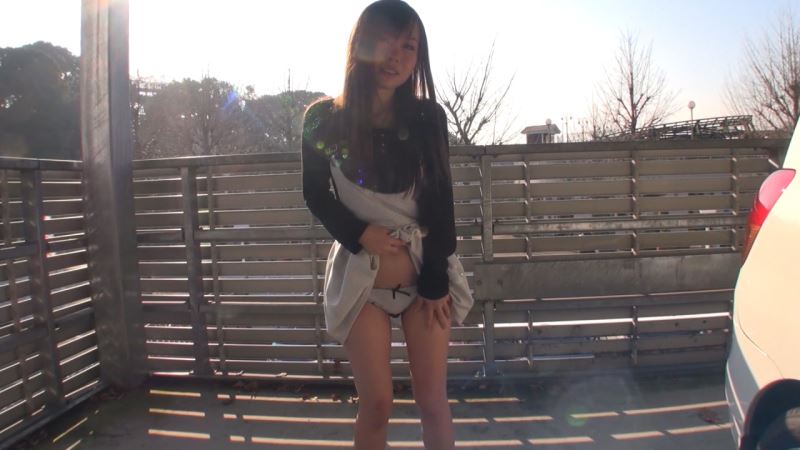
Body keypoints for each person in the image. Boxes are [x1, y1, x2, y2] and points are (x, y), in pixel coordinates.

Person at [301, 1, 474, 448]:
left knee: (432, 402)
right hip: (362, 281)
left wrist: (435, 280)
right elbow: (315, 194)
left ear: (419, 57)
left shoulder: (428, 118)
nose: (395, 56)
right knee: (376, 403)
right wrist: (360, 234)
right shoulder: (322, 118)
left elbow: (442, 203)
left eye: (408, 46)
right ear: (361, 44)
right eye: (384, 41)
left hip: (424, 281)